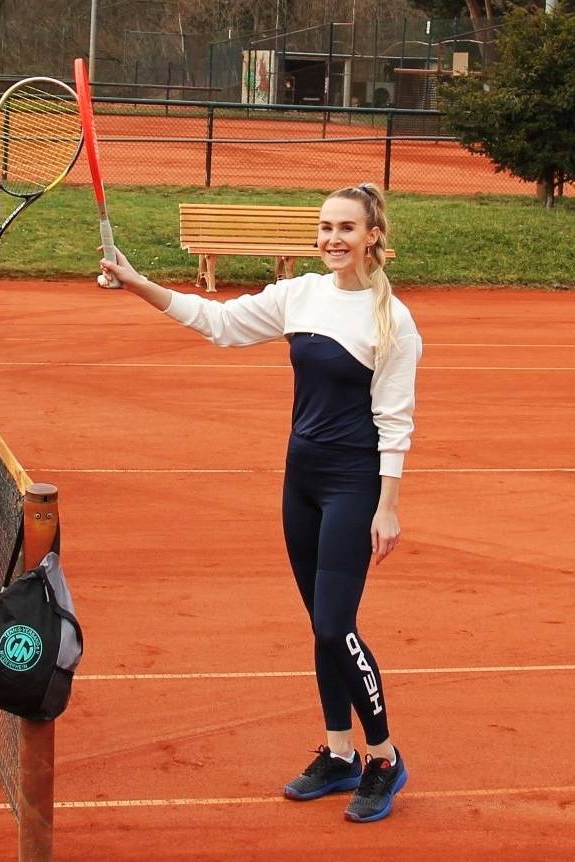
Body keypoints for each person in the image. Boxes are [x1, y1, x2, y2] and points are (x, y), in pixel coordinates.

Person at [98, 184, 422, 823]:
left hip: (353, 485)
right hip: (299, 478)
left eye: (347, 228)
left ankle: (383, 757)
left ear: (373, 236)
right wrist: (137, 283)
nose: (332, 239)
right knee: (320, 624)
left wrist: (388, 505)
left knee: (336, 624)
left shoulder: (394, 320)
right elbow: (218, 324)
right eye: (325, 227)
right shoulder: (299, 294)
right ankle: (338, 754)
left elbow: (395, 419)